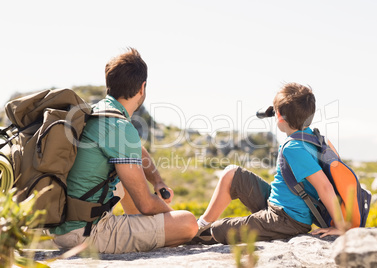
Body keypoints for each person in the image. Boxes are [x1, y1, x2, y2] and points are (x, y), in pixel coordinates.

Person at [49, 48, 198, 253]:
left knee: (127, 178)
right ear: (142, 88)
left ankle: (145, 230)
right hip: (86, 235)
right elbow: (146, 204)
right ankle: (150, 232)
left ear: (109, 84)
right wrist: (170, 214)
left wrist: (157, 181)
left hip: (65, 227)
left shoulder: (96, 113)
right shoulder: (119, 127)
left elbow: (136, 148)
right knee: (188, 223)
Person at [194, 82, 343, 244]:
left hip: (288, 220)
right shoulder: (309, 136)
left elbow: (324, 187)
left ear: (278, 116)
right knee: (232, 174)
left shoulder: (294, 148)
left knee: (218, 230)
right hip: (277, 203)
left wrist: (341, 226)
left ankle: (197, 234)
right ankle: (201, 225)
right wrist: (280, 110)